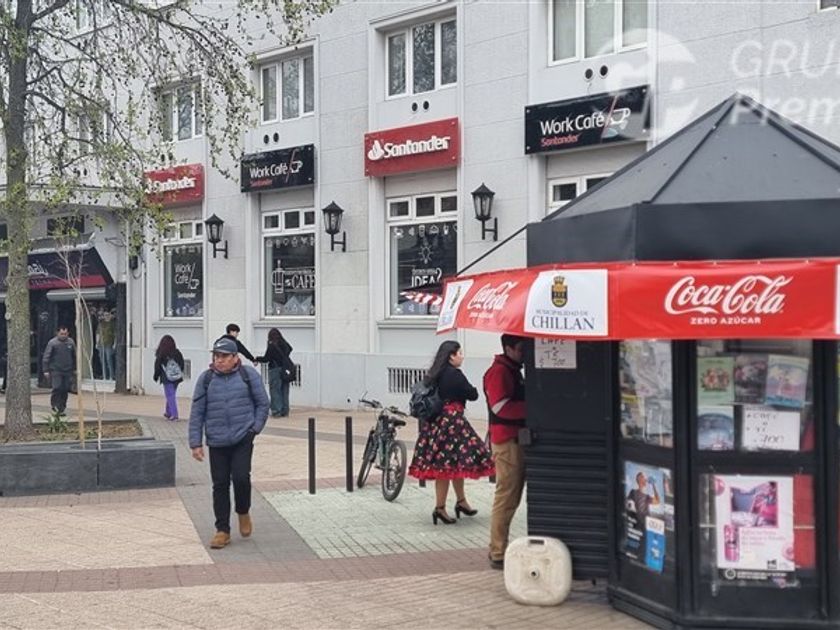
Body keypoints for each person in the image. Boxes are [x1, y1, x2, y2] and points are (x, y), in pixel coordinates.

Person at [189, 337, 269, 549]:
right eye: (216, 356)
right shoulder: (206, 379)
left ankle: (243, 511)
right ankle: (222, 530)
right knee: (220, 484)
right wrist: (195, 443)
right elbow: (197, 412)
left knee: (241, 478)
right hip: (217, 440)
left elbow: (263, 403)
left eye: (224, 356)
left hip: (243, 437)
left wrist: (254, 429)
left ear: (235, 357)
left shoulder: (248, 375)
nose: (219, 360)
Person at [408, 340, 494, 525]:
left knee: (454, 464)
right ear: (451, 356)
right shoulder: (455, 374)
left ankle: (461, 502)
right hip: (453, 423)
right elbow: (473, 394)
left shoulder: (434, 373)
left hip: (435, 423)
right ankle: (440, 508)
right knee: (447, 465)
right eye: (459, 353)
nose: (462, 356)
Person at [483, 334, 528, 570]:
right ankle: (498, 551)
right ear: (508, 349)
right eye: (521, 348)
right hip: (507, 441)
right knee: (507, 496)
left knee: (510, 495)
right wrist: (532, 408)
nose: (524, 353)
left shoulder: (510, 370)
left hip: (512, 439)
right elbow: (500, 407)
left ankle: (498, 549)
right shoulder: (500, 372)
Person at [255, 328, 294, 417]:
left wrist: (257, 358)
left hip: (275, 369)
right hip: (285, 369)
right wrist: (284, 357)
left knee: (275, 391)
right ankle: (285, 410)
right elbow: (290, 348)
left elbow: (267, 358)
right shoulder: (284, 343)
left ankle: (276, 411)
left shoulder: (272, 345)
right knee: (285, 390)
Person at [42, 325, 76, 415]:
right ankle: (55, 406)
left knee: (65, 389)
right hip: (56, 370)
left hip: (68, 370)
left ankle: (62, 408)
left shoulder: (71, 342)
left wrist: (75, 368)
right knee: (57, 388)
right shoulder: (52, 343)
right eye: (61, 334)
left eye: (65, 334)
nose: (63, 336)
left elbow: (74, 356)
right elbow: (46, 357)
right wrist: (46, 370)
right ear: (57, 333)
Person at [153, 334, 185, 421]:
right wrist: (179, 372)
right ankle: (168, 412)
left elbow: (157, 366)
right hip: (176, 378)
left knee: (170, 396)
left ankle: (174, 415)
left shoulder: (161, 353)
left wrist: (156, 376)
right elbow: (182, 363)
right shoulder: (177, 353)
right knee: (171, 395)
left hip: (167, 378)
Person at [96, 310, 116, 380]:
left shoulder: (113, 324)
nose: (106, 316)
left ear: (110, 315)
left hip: (109, 344)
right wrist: (97, 343)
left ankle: (111, 376)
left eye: (107, 315)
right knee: (102, 361)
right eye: (105, 315)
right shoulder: (101, 324)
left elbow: (115, 335)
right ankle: (104, 376)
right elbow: (98, 333)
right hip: (101, 344)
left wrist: (115, 343)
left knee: (109, 360)